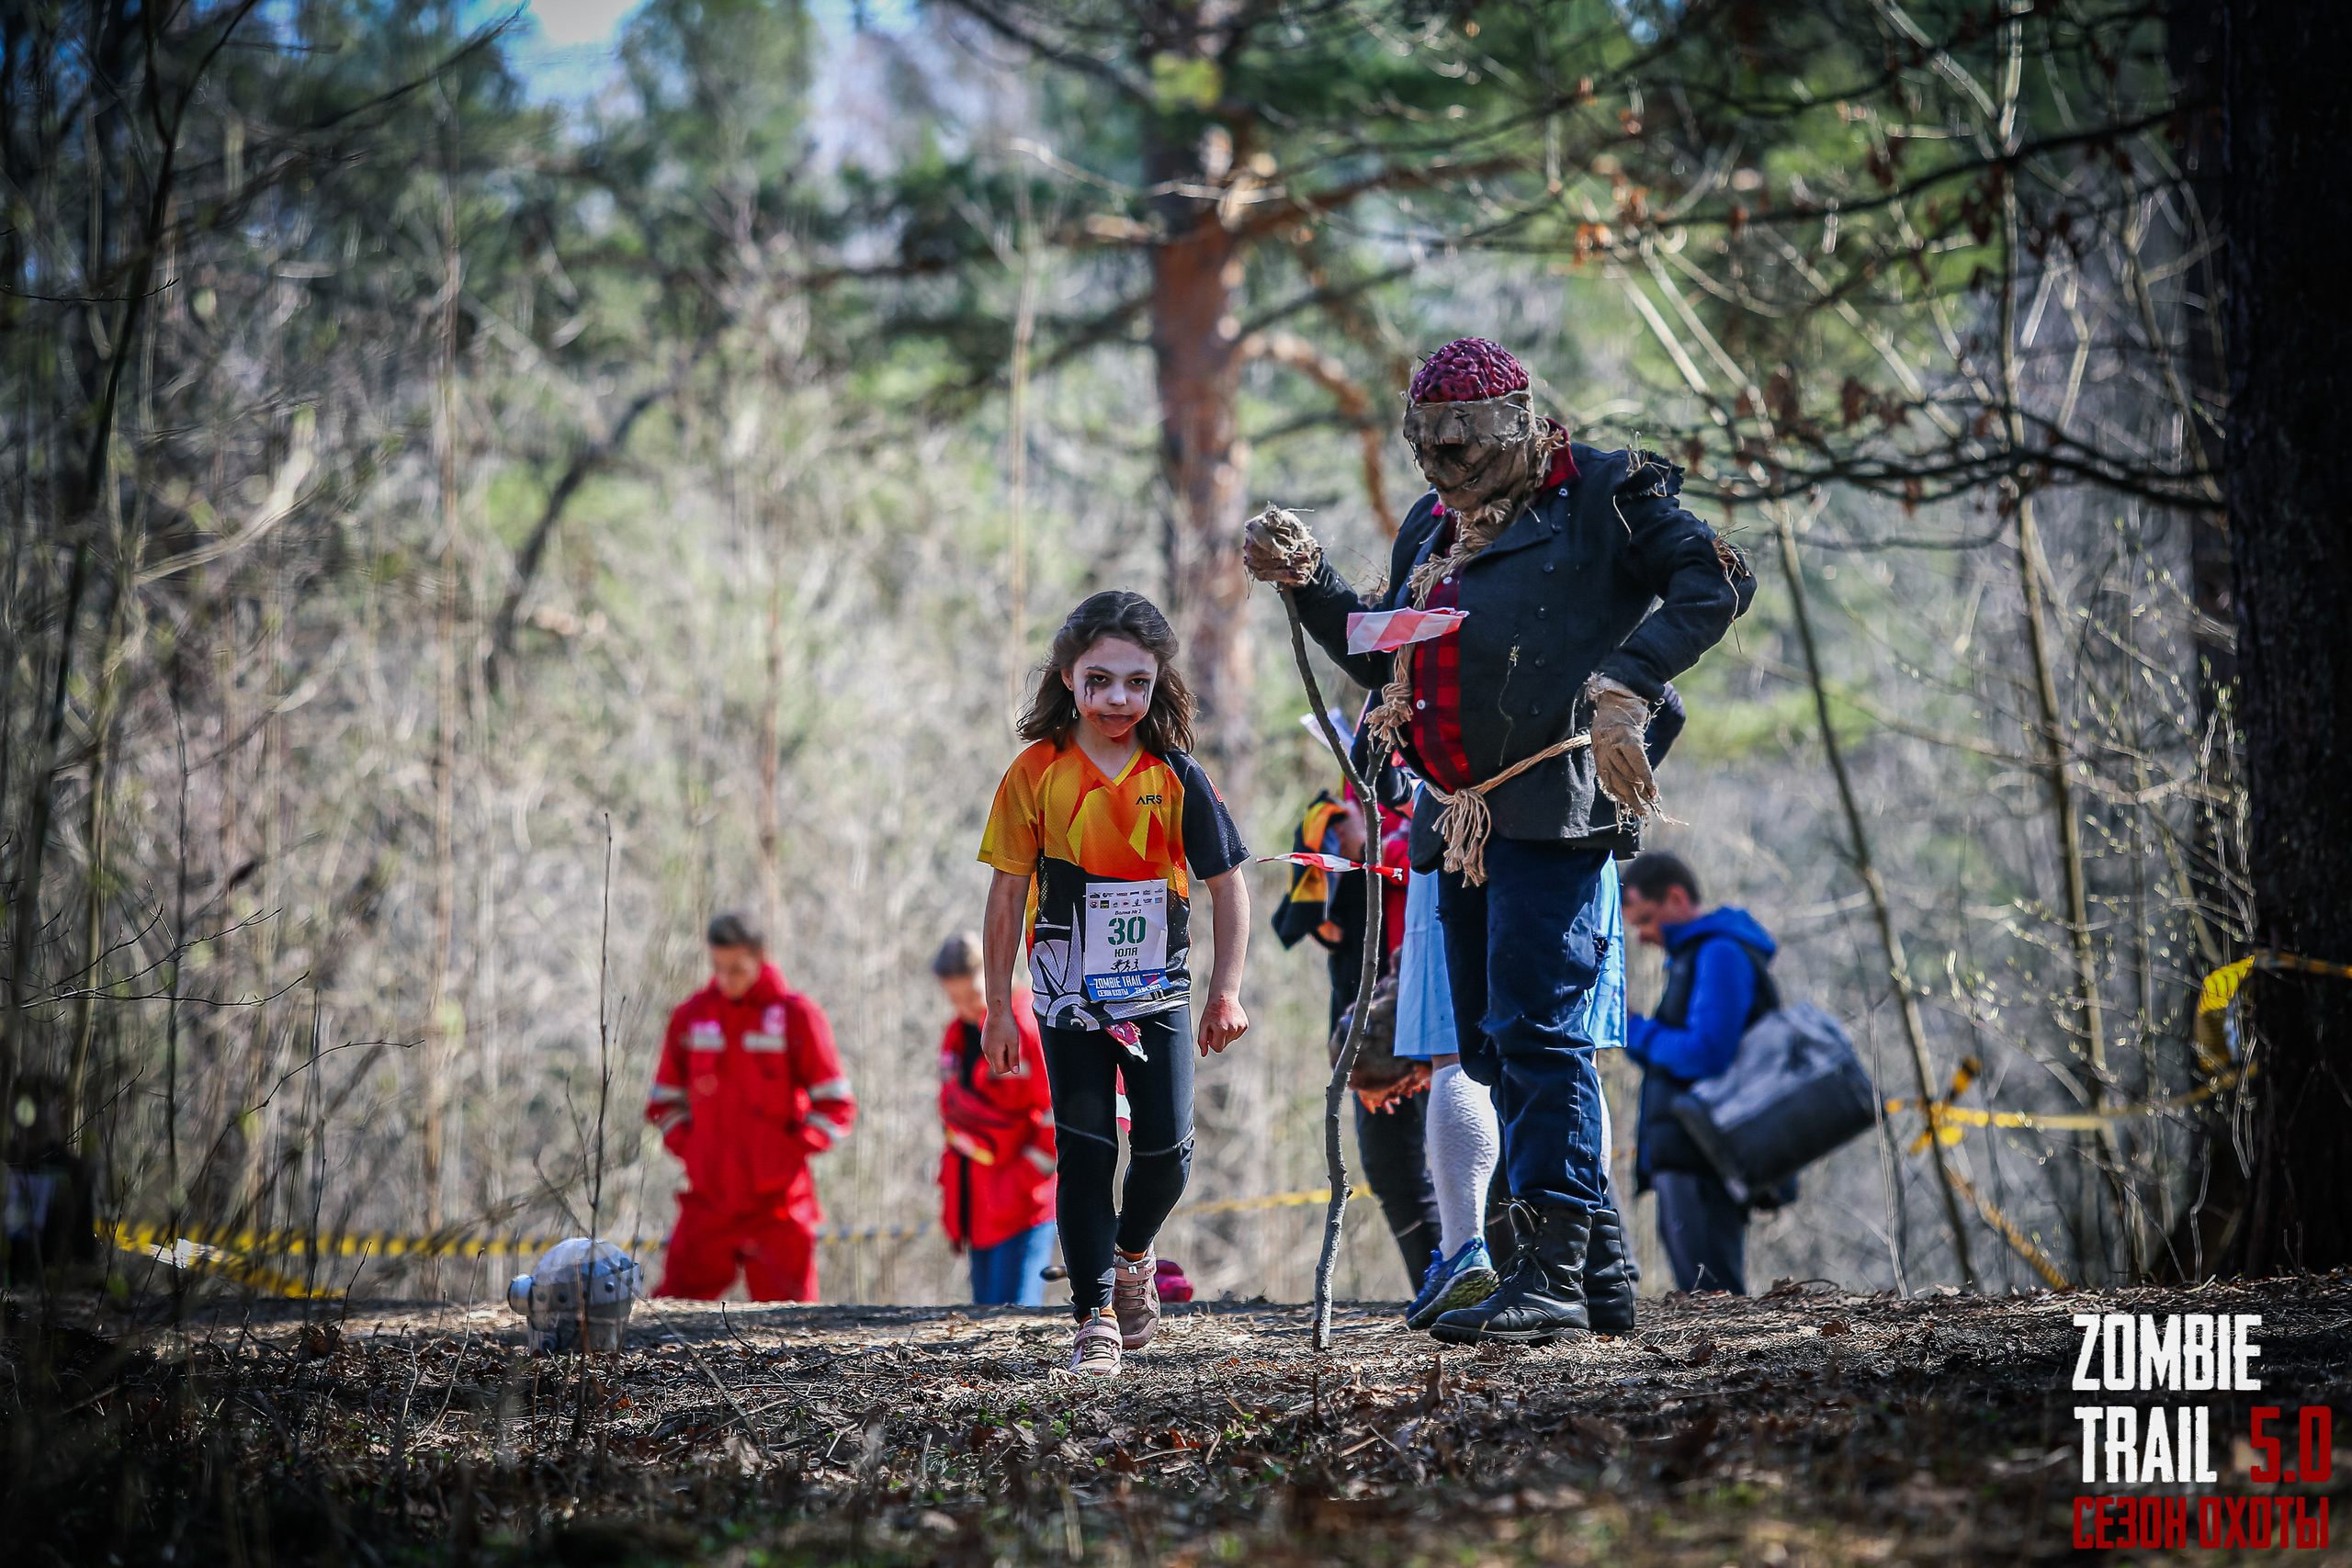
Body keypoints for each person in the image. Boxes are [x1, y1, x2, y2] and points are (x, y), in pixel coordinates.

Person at [1246, 336, 1752, 1344]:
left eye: (1465, 440)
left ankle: (1549, 1273)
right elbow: (1379, 654)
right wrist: (1308, 581)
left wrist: (1632, 676)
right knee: (1484, 1037)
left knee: (1537, 1031)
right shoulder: (1432, 529)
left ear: (1520, 424)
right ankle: (1601, 1277)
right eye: (1426, 442)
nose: (1444, 461)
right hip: (1459, 820)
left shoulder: (1607, 496)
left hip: (1556, 807)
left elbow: (1716, 578)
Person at [976, 591, 1251, 1377]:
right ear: (1068, 678)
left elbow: (1228, 885)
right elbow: (1003, 896)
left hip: (1156, 991)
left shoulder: (1174, 773)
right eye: (1099, 681)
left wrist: (1225, 991)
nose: (1118, 700)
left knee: (1167, 1148)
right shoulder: (1034, 773)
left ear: (1158, 681)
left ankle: (1134, 1254)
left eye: (1136, 682)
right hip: (1065, 993)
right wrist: (1002, 1005)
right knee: (1086, 1150)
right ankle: (1093, 1313)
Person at [1272, 764, 1441, 1291]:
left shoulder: (1449, 766)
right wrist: (1340, 848)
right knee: (1389, 1165)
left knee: (1474, 1154)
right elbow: (1321, 922)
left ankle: (1502, 1277)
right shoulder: (1341, 802)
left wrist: (1383, 849)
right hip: (1367, 1009)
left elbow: (1461, 855)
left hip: (1439, 997)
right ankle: (1436, 1288)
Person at [647, 912, 856, 1301]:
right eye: (718, 968)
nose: (727, 979)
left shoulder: (798, 1016)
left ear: (761, 958)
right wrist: (693, 1152)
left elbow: (836, 1105)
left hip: (779, 1206)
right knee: (670, 1318)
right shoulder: (692, 1016)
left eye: (738, 969)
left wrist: (787, 1153)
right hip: (709, 1199)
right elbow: (663, 1102)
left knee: (793, 1331)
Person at [1621, 852, 1779, 1296]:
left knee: (1714, 1298)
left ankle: (1743, 1367)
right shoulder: (1693, 956)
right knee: (1699, 1294)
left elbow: (1707, 1053)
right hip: (1685, 1154)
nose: (1644, 936)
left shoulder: (1721, 951)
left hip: (1707, 1156)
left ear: (1676, 896)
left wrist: (1636, 1031)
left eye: (1646, 920)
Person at [931, 931, 1060, 1306]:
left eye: (972, 996)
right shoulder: (956, 1035)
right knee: (983, 1318)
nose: (966, 1008)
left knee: (1014, 1321)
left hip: (1023, 1205)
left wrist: (1022, 1180)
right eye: (954, 999)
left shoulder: (1028, 1028)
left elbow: (1058, 1116)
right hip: (976, 1203)